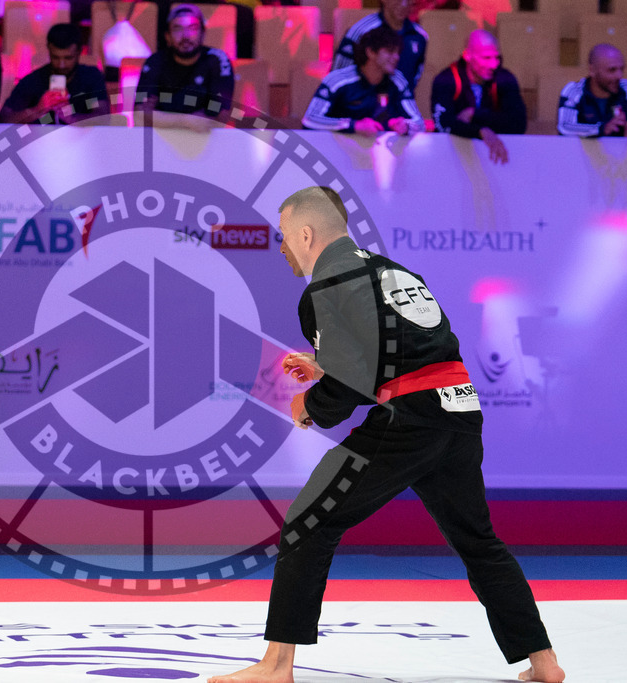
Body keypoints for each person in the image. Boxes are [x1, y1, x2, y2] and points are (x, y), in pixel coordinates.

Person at [206, 186, 565, 683]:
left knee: (308, 523)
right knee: (478, 541)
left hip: (408, 423)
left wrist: (308, 406)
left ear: (307, 234)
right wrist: (323, 364)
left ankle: (276, 665)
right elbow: (418, 348)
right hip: (458, 415)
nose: (282, 246)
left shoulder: (323, 288)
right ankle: (544, 664)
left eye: (285, 236)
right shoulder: (391, 270)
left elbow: (348, 387)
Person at [302, 25, 423, 136]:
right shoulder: (337, 80)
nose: (396, 57)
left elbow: (419, 123)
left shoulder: (398, 81)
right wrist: (353, 125)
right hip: (338, 153)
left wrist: (406, 126)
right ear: (370, 52)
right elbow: (310, 119)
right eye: (390, 51)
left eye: (398, 52)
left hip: (384, 154)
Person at [431, 30, 526, 164]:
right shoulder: (446, 79)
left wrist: (474, 114)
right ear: (467, 56)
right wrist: (480, 131)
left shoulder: (504, 78)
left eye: (496, 58)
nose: (494, 65)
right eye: (486, 58)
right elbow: (443, 124)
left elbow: (518, 124)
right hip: (449, 159)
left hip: (493, 161)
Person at [135, 3, 235, 130]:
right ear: (168, 36)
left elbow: (221, 115)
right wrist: (186, 121)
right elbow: (139, 115)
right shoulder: (155, 61)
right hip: (161, 138)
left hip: (205, 141)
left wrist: (160, 118)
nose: (186, 36)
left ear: (203, 33)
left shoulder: (217, 60)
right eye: (177, 28)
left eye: (193, 28)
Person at [0, 23, 109, 124]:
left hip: (82, 142)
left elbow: (104, 117)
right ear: (49, 50)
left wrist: (73, 119)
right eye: (55, 57)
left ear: (79, 52)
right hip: (40, 143)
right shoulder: (34, 80)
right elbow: (3, 119)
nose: (61, 65)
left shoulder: (91, 76)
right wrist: (35, 110)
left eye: (68, 58)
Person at [557, 43, 627, 140]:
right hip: (580, 155)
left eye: (622, 69)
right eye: (612, 70)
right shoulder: (574, 90)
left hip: (620, 155)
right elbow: (564, 127)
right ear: (592, 70)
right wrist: (601, 129)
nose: (619, 75)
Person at [333, 0, 427, 93]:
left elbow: (415, 76)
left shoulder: (419, 36)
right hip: (362, 103)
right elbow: (338, 74)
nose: (403, 4)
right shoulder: (361, 31)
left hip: (399, 103)